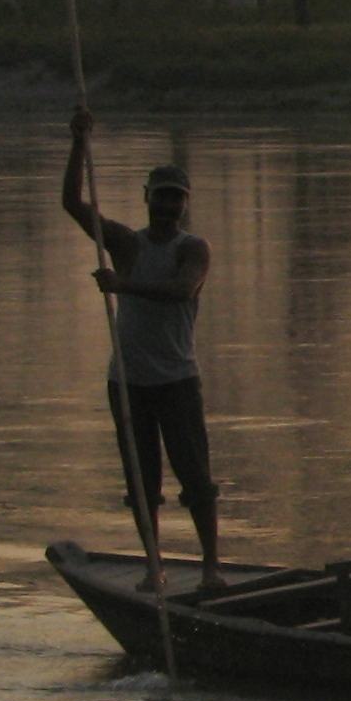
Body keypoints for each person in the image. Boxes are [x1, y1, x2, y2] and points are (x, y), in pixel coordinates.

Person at [62, 103, 221, 594]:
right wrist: (79, 143)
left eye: (176, 199)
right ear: (147, 197)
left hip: (177, 381)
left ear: (184, 205)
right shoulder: (127, 244)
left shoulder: (192, 248)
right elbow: (73, 204)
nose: (167, 206)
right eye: (161, 196)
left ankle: (211, 569)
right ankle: (155, 567)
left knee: (196, 479)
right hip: (129, 381)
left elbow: (182, 290)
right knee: (141, 482)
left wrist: (123, 287)